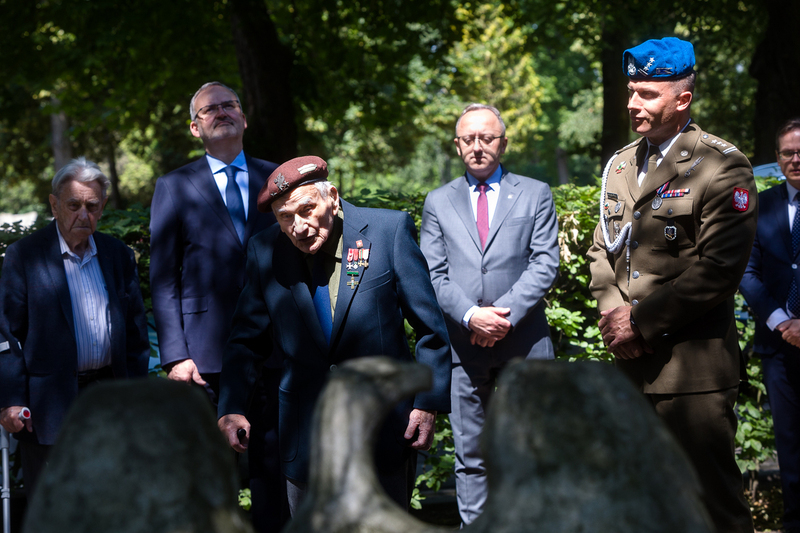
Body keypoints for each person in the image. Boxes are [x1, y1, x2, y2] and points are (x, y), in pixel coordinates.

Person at [217, 155, 451, 514]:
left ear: (333, 197)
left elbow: (430, 328)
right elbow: (246, 338)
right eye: (285, 218)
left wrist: (427, 402)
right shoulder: (265, 252)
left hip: (383, 429)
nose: (299, 226)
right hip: (305, 437)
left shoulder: (388, 232)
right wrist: (232, 407)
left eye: (306, 209)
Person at [587, 37, 757, 533]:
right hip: (629, 369)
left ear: (682, 100)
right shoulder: (620, 164)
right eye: (631, 91)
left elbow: (719, 269)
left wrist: (638, 320)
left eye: (646, 94)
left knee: (712, 508)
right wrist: (612, 310)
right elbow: (604, 248)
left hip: (691, 374)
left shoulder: (722, 165)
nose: (631, 104)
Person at [149, 81, 283, 531]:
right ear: (195, 127)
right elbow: (164, 277)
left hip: (275, 349)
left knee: (273, 471)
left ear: (244, 118)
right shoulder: (174, 187)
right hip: (205, 358)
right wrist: (175, 354)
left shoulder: (278, 177)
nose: (222, 113)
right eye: (210, 110)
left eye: (230, 105)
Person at [419, 103, 560, 525]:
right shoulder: (437, 202)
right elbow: (433, 273)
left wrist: (502, 318)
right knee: (472, 455)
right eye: (468, 139)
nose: (477, 147)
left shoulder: (535, 193)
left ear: (503, 142)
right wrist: (470, 316)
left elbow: (544, 263)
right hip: (465, 347)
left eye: (487, 138)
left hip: (525, 343)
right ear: (457, 144)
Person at [0, 157, 150, 496]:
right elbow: (8, 334)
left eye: (92, 206)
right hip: (48, 406)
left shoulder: (117, 255)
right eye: (74, 205)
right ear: (54, 205)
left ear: (103, 207)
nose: (84, 215)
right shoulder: (25, 256)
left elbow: (135, 335)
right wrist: (10, 400)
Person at [739, 118, 800, 533]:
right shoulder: (762, 206)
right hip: (780, 348)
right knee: (791, 447)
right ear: (777, 160)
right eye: (787, 153)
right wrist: (782, 322)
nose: (796, 160)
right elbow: (746, 271)